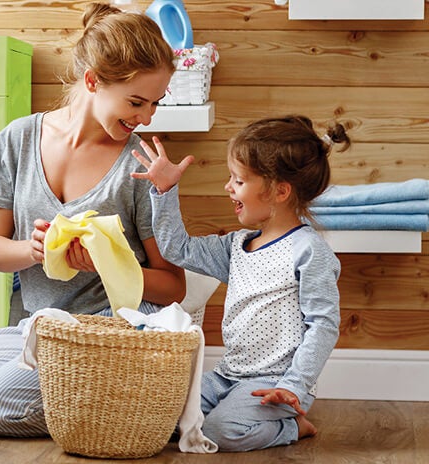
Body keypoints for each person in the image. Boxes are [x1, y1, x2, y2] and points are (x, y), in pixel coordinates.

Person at [0, 2, 188, 437]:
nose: (146, 118)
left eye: (155, 104)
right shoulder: (18, 139)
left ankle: (138, 410)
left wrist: (108, 263)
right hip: (43, 324)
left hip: (111, 328)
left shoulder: (137, 164)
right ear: (92, 81)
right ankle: (123, 401)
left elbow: (172, 285)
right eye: (136, 102)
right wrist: (31, 250)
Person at [131, 115, 350, 451]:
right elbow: (178, 248)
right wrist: (165, 190)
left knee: (221, 432)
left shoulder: (308, 251)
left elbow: (323, 325)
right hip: (226, 376)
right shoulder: (235, 247)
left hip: (274, 382)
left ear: (279, 191)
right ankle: (241, 411)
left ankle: (293, 427)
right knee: (159, 415)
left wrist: (295, 385)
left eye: (239, 180)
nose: (228, 187)